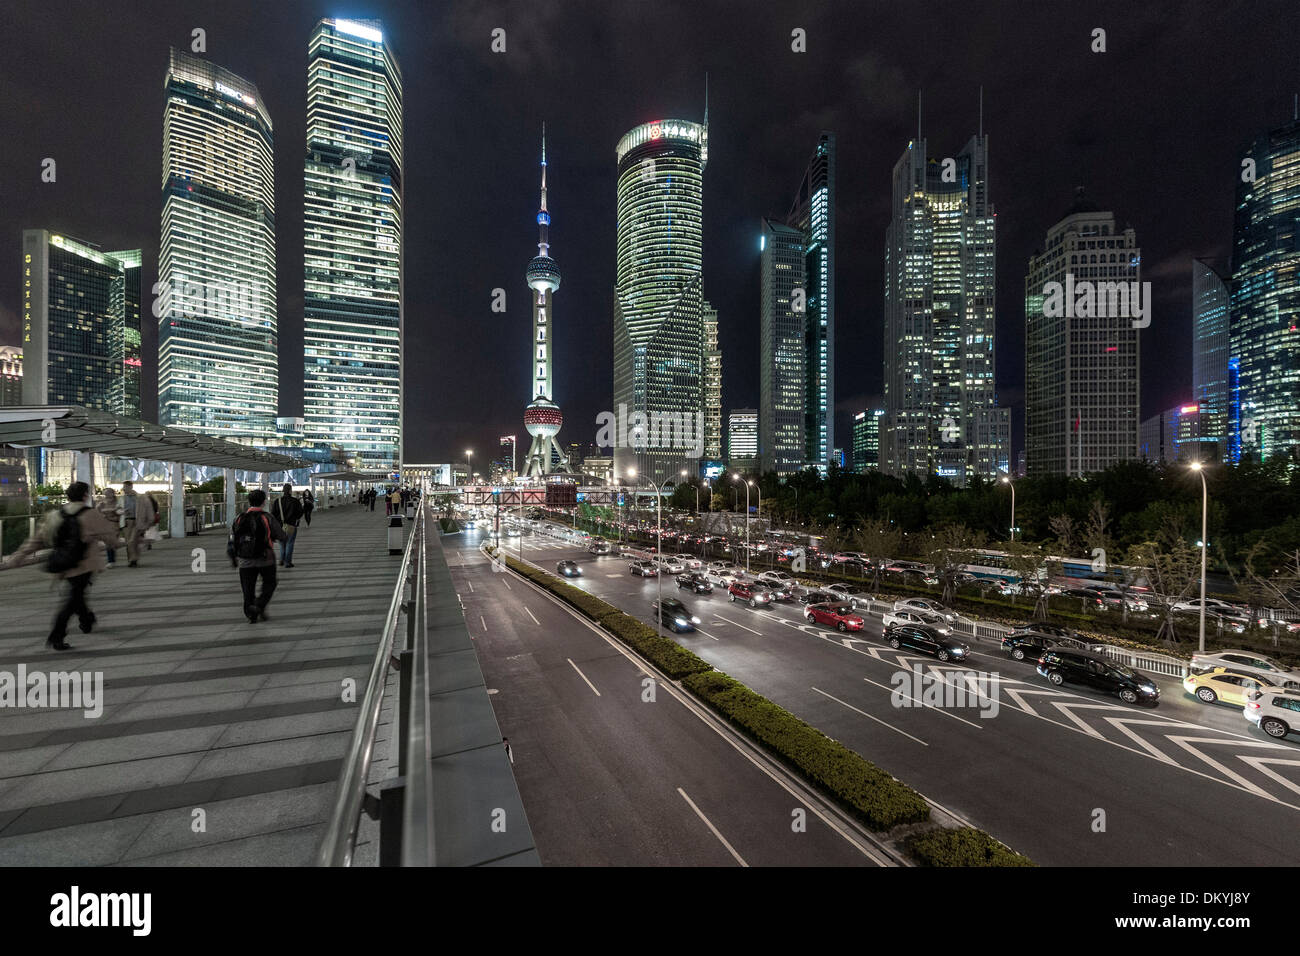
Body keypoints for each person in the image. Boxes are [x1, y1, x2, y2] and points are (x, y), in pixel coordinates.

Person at [2, 481, 119, 650]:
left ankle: (87, 619)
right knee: (72, 599)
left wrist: (18, 556)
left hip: (64, 563)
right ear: (85, 495)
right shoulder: (91, 514)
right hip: (84, 564)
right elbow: (110, 536)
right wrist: (114, 543)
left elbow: (37, 539)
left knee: (76, 594)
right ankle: (57, 634)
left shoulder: (56, 515)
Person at [228, 489, 286, 623]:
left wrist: (233, 557)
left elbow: (232, 539)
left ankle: (251, 614)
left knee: (248, 588)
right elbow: (281, 536)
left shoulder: (239, 518)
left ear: (249, 501)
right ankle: (259, 605)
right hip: (266, 559)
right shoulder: (267, 517)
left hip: (245, 560)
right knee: (270, 583)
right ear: (264, 502)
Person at [121, 480, 157, 567]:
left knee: (132, 541)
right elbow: (117, 509)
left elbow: (149, 509)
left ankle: (133, 559)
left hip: (137, 522)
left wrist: (150, 521)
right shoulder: (122, 498)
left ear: (130, 487)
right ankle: (132, 559)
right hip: (126, 522)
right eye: (123, 487)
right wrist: (122, 512)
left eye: (125, 487)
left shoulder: (141, 498)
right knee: (129, 542)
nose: (123, 489)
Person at [270, 483, 303, 567]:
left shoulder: (278, 501)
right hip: (291, 525)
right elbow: (300, 513)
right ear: (290, 490)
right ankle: (287, 562)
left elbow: (273, 514)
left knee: (282, 543)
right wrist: (295, 518)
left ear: (283, 491)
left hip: (280, 526)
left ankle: (281, 560)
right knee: (289, 543)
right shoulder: (295, 501)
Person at [96, 487, 123, 568]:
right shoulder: (102, 503)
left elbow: (120, 512)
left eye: (108, 493)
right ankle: (111, 560)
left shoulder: (117, 502)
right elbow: (97, 512)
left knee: (111, 542)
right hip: (105, 524)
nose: (106, 494)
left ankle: (111, 560)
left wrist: (111, 513)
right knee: (108, 542)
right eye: (105, 493)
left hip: (115, 524)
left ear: (112, 493)